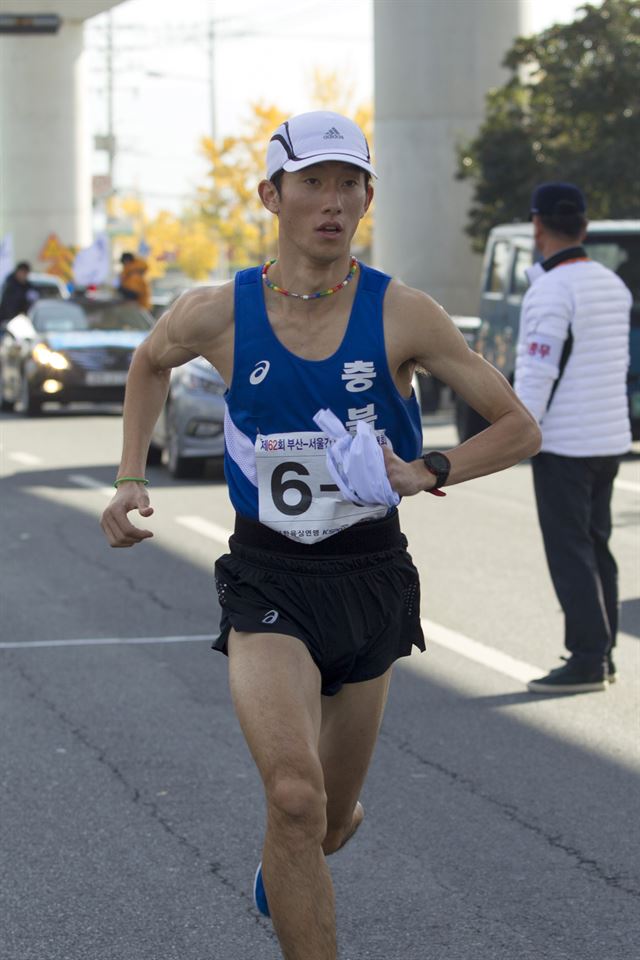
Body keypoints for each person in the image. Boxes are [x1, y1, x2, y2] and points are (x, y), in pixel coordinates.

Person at [100, 110, 540, 960]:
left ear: (367, 198)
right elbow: (150, 361)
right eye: (312, 182)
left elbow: (518, 426)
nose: (332, 201)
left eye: (349, 184)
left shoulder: (403, 314)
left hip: (370, 577)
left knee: (328, 822)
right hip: (267, 577)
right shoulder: (216, 312)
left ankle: (295, 855)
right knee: (294, 798)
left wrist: (430, 470)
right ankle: (293, 852)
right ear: (273, 194)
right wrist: (129, 477)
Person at [514, 182, 632, 694]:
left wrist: (518, 432)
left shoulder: (550, 290)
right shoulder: (611, 283)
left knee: (570, 550)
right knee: (597, 545)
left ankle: (586, 658)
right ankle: (601, 653)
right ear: (583, 226)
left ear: (537, 226)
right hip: (609, 437)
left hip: (564, 441)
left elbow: (538, 373)